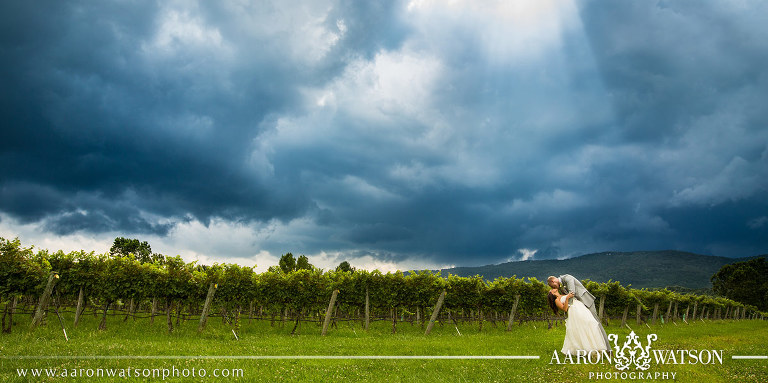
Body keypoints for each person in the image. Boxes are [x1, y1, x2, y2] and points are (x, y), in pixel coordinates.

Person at [548, 288, 610, 355]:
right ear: (552, 293)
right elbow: (565, 309)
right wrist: (567, 298)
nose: (553, 289)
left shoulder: (563, 293)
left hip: (580, 307)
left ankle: (596, 346)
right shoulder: (557, 300)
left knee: (590, 322)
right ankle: (588, 348)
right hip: (574, 310)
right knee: (581, 327)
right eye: (551, 290)